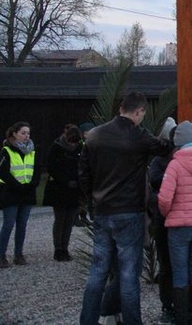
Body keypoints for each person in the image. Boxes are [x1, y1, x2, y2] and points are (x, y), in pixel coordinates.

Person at [78, 92, 170, 324]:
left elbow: (84, 173)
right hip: (129, 211)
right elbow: (163, 147)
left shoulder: (95, 135)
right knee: (129, 275)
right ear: (139, 112)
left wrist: (92, 200)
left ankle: (87, 320)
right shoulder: (137, 135)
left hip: (103, 210)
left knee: (97, 272)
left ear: (120, 108)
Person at [158, 121, 192, 325]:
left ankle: (182, 319)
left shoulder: (175, 164)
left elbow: (164, 198)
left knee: (180, 273)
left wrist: (168, 213)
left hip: (179, 226)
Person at [147, 117, 178, 324]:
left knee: (181, 267)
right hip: (165, 219)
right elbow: (155, 183)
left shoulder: (190, 160)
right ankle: (169, 306)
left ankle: (186, 307)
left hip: (183, 218)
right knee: (166, 265)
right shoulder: (160, 161)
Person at [0, 121, 40, 268]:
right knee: (9, 224)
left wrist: (31, 185)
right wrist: (17, 186)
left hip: (27, 193)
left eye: (28, 133)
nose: (26, 136)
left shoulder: (33, 151)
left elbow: (36, 170)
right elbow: (4, 172)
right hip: (11, 192)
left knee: (22, 225)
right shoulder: (7, 151)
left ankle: (19, 254)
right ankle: (1, 255)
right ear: (14, 134)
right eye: (23, 133)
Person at [43, 124, 84, 261]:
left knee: (69, 220)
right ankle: (58, 249)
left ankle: (65, 247)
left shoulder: (80, 148)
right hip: (59, 188)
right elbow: (51, 167)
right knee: (60, 219)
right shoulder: (56, 148)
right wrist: (66, 180)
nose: (73, 144)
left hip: (75, 188)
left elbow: (84, 165)